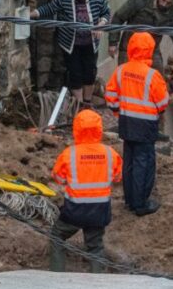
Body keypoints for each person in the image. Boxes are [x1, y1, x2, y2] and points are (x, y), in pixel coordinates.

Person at [104, 31, 170, 216]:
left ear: (131, 47)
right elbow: (163, 102)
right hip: (146, 124)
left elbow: (110, 97)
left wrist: (118, 111)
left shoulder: (121, 70)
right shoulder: (152, 75)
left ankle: (130, 200)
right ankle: (141, 204)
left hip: (126, 122)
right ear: (150, 50)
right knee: (144, 162)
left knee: (130, 161)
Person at [49, 109, 123, 273]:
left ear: (76, 129)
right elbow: (118, 177)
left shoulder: (69, 154)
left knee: (56, 237)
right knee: (95, 247)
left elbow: (59, 178)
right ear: (99, 129)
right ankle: (97, 282)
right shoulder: (110, 153)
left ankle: (56, 277)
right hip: (99, 210)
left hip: (74, 210)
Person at [32, 0, 110, 106]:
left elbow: (107, 13)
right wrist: (34, 13)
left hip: (90, 44)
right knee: (75, 73)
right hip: (71, 44)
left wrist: (100, 24)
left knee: (89, 73)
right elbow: (51, 8)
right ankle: (79, 105)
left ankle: (87, 102)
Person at [108, 0, 173, 70]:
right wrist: (113, 42)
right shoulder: (139, 2)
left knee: (158, 78)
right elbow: (118, 17)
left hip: (152, 51)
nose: (164, 4)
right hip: (129, 48)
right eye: (163, 0)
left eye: (169, 3)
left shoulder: (172, 17)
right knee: (127, 76)